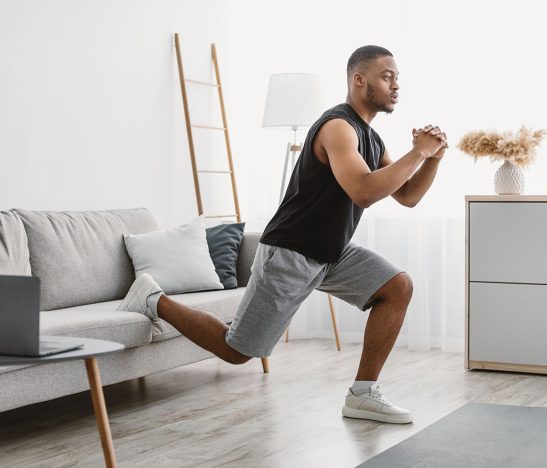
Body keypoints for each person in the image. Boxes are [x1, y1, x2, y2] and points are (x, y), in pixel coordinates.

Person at [117, 45, 447, 424]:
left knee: (396, 287)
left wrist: (432, 159)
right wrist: (418, 152)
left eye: (397, 78)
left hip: (331, 253)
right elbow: (365, 191)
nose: (396, 85)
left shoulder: (372, 139)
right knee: (238, 351)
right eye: (387, 76)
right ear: (359, 80)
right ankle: (152, 299)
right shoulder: (337, 126)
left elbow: (407, 196)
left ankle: (362, 395)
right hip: (290, 252)